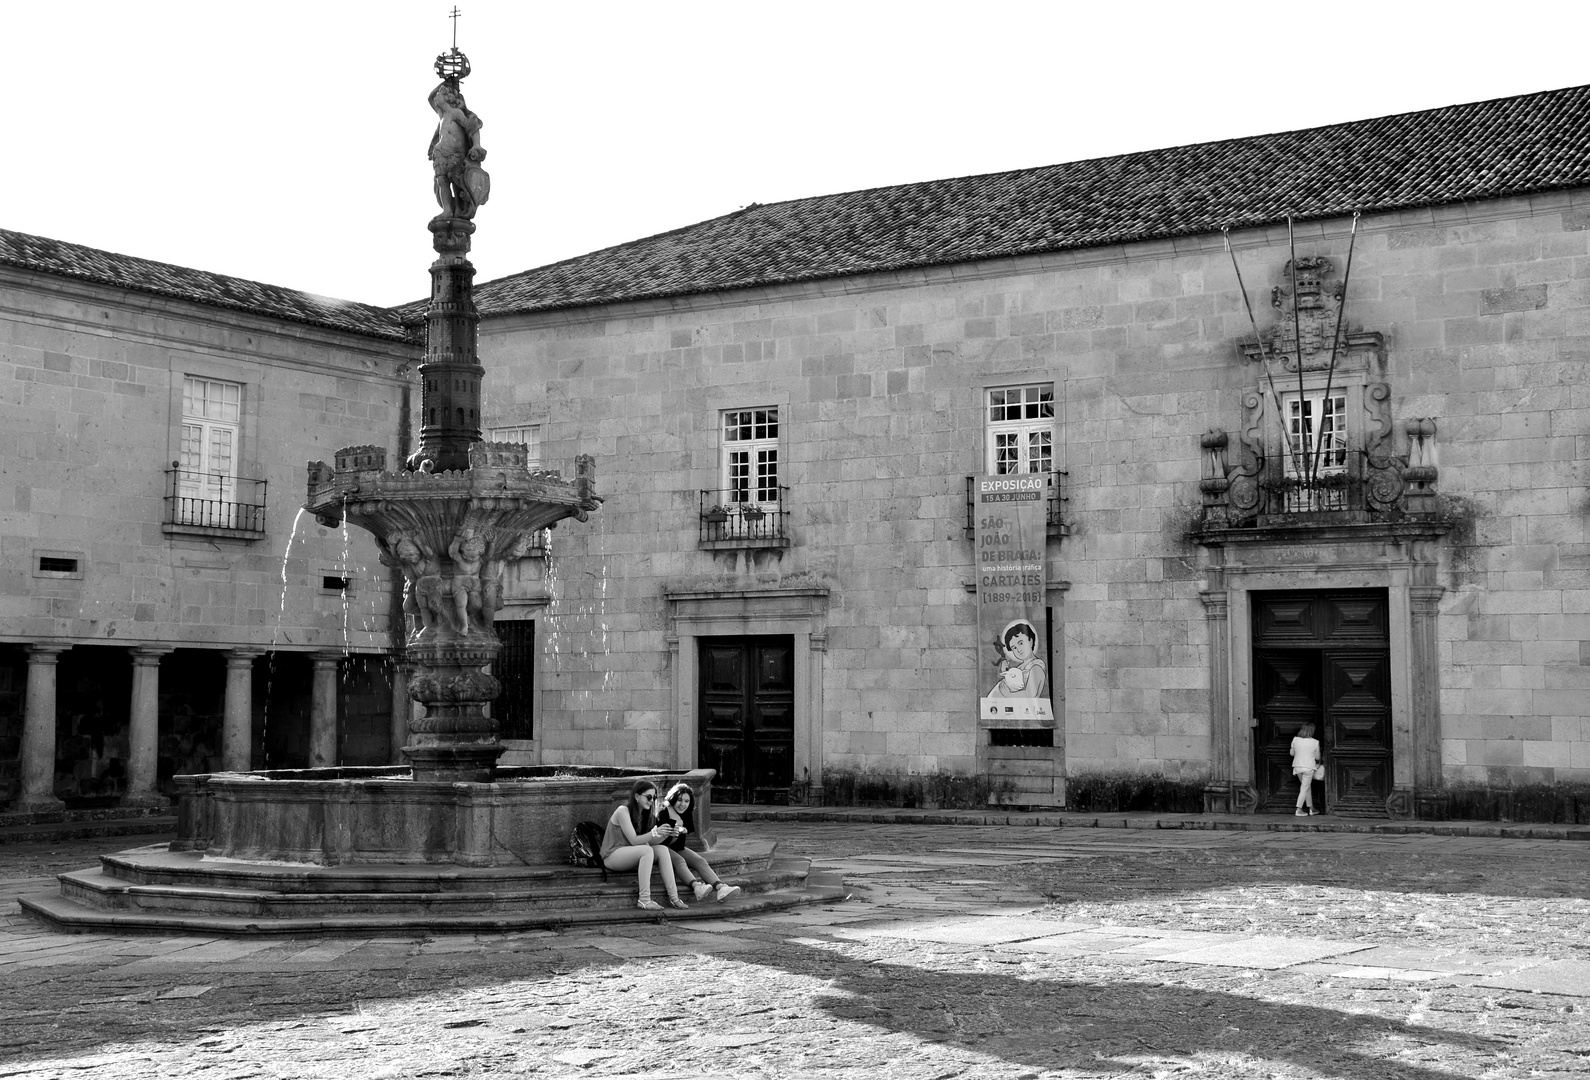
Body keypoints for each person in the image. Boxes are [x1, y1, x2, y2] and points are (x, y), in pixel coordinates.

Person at [599, 780, 686, 910]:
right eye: (649, 797)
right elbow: (634, 840)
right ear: (637, 796)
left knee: (662, 849)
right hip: (612, 856)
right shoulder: (623, 811)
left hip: (631, 853)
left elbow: (648, 841)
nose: (652, 800)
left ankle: (674, 897)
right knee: (646, 851)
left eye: (654, 797)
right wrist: (655, 831)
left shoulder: (646, 815)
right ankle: (644, 900)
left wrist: (666, 834)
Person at [655, 783, 741, 903]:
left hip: (677, 847)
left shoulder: (687, 812)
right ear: (673, 799)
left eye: (686, 801)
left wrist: (681, 830)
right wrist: (675, 830)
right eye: (679, 800)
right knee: (680, 861)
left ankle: (721, 888)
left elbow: (685, 834)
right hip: (662, 847)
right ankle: (697, 887)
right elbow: (661, 839)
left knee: (700, 861)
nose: (683, 804)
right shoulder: (663, 813)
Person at [989, 620, 1048, 699]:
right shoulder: (1020, 667)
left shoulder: (1036, 667)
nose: (1019, 650)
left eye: (1021, 643)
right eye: (1014, 648)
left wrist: (1005, 693)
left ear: (1030, 641)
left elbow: (1029, 695)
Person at [1290, 722, 1322, 816]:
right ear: (1312, 731)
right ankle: (1299, 809)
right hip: (1308, 767)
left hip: (1297, 767)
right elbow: (1317, 757)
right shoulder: (1315, 742)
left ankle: (1311, 808)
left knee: (1306, 787)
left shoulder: (1295, 739)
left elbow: (1292, 753)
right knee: (1304, 788)